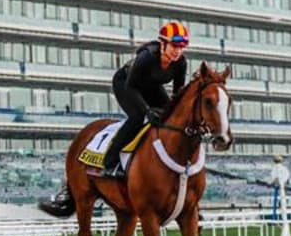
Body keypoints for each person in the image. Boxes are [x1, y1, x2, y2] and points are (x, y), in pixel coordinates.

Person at [38, 22, 190, 214]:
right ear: (163, 44)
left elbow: (177, 96)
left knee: (168, 118)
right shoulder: (146, 58)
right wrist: (146, 110)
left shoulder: (181, 63)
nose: (178, 51)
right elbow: (132, 86)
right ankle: (109, 163)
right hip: (126, 84)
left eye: (181, 47)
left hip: (150, 87)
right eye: (175, 46)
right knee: (137, 117)